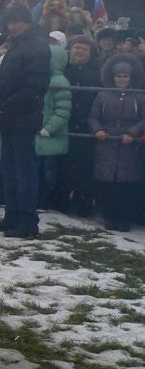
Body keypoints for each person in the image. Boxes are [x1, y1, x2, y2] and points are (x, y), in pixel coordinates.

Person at [0, 4, 52, 238]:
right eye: (10, 22)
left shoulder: (37, 46)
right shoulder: (16, 45)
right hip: (9, 117)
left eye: (17, 22)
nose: (12, 26)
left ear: (27, 22)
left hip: (22, 117)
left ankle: (27, 221)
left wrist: (9, 105)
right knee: (10, 170)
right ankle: (12, 216)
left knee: (25, 171)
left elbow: (35, 86)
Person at [88, 54, 145, 232]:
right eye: (118, 76)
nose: (121, 79)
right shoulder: (103, 95)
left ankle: (124, 218)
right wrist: (97, 129)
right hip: (107, 144)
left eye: (125, 76)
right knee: (108, 185)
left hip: (129, 146)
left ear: (131, 78)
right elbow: (93, 116)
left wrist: (132, 132)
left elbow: (143, 119)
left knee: (126, 186)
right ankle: (109, 216)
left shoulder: (139, 96)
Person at [58, 36, 102, 216]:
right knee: (63, 164)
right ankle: (61, 200)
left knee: (84, 165)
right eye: (77, 47)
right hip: (64, 122)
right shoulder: (63, 70)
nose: (80, 51)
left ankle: (83, 201)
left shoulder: (97, 73)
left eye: (85, 49)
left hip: (86, 123)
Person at [35, 44, 72, 209]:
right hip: (40, 134)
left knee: (49, 173)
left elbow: (63, 110)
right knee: (39, 171)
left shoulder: (59, 81)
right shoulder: (44, 79)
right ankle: (39, 200)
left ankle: (46, 201)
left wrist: (50, 128)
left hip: (51, 135)